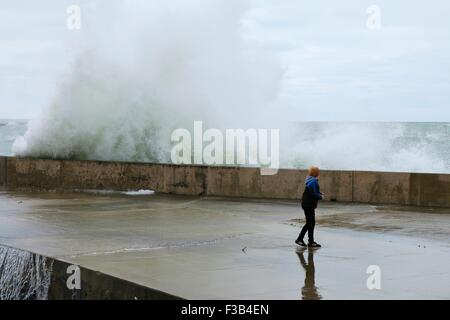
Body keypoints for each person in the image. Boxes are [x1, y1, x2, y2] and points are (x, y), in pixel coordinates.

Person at [296, 166, 324, 248]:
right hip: (309, 205)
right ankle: (300, 239)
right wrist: (321, 196)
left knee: (311, 223)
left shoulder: (310, 180)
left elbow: (313, 192)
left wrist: (319, 194)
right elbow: (314, 194)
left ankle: (310, 241)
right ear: (316, 173)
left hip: (306, 204)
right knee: (310, 223)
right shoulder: (314, 181)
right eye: (318, 171)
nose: (319, 173)